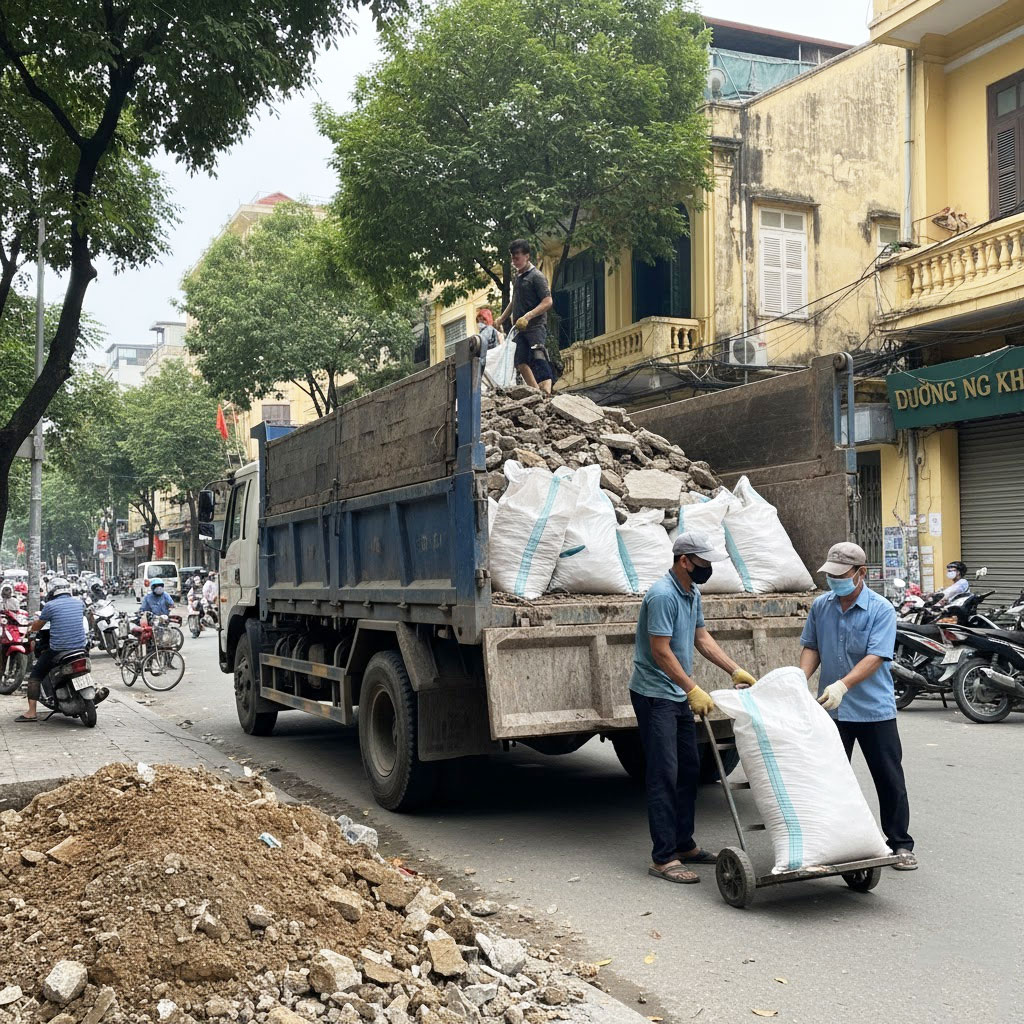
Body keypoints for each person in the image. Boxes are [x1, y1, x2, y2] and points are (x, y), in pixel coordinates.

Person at [630, 530, 758, 884]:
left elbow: (701, 638)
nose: (707, 569)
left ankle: (684, 844)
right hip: (655, 695)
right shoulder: (662, 596)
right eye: (703, 563)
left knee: (689, 770)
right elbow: (660, 650)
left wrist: (734, 669)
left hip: (677, 693)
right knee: (664, 773)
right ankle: (663, 857)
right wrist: (693, 689)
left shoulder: (691, 591)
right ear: (684, 561)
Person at [799, 541, 917, 870]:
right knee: (830, 778)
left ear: (861, 573)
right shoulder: (821, 606)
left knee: (889, 778)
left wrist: (843, 685)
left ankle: (900, 844)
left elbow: (877, 656)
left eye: (841, 575)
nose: (833, 581)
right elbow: (811, 646)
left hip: (873, 710)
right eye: (830, 575)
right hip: (832, 711)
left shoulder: (881, 609)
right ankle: (833, 841)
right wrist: (801, 678)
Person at [18, 578, 107, 723]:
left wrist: (30, 632)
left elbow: (37, 626)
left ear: (52, 591)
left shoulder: (50, 606)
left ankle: (31, 712)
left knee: (35, 676)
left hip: (58, 650)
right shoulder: (79, 603)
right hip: (81, 648)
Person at [495, 239, 555, 394]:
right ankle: (536, 394)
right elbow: (514, 300)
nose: (514, 261)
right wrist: (502, 318)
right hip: (519, 329)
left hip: (535, 327)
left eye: (517, 257)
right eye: (512, 258)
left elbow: (548, 301)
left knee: (538, 357)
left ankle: (547, 392)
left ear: (527, 256)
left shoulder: (537, 276)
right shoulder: (518, 278)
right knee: (520, 362)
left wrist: (528, 316)